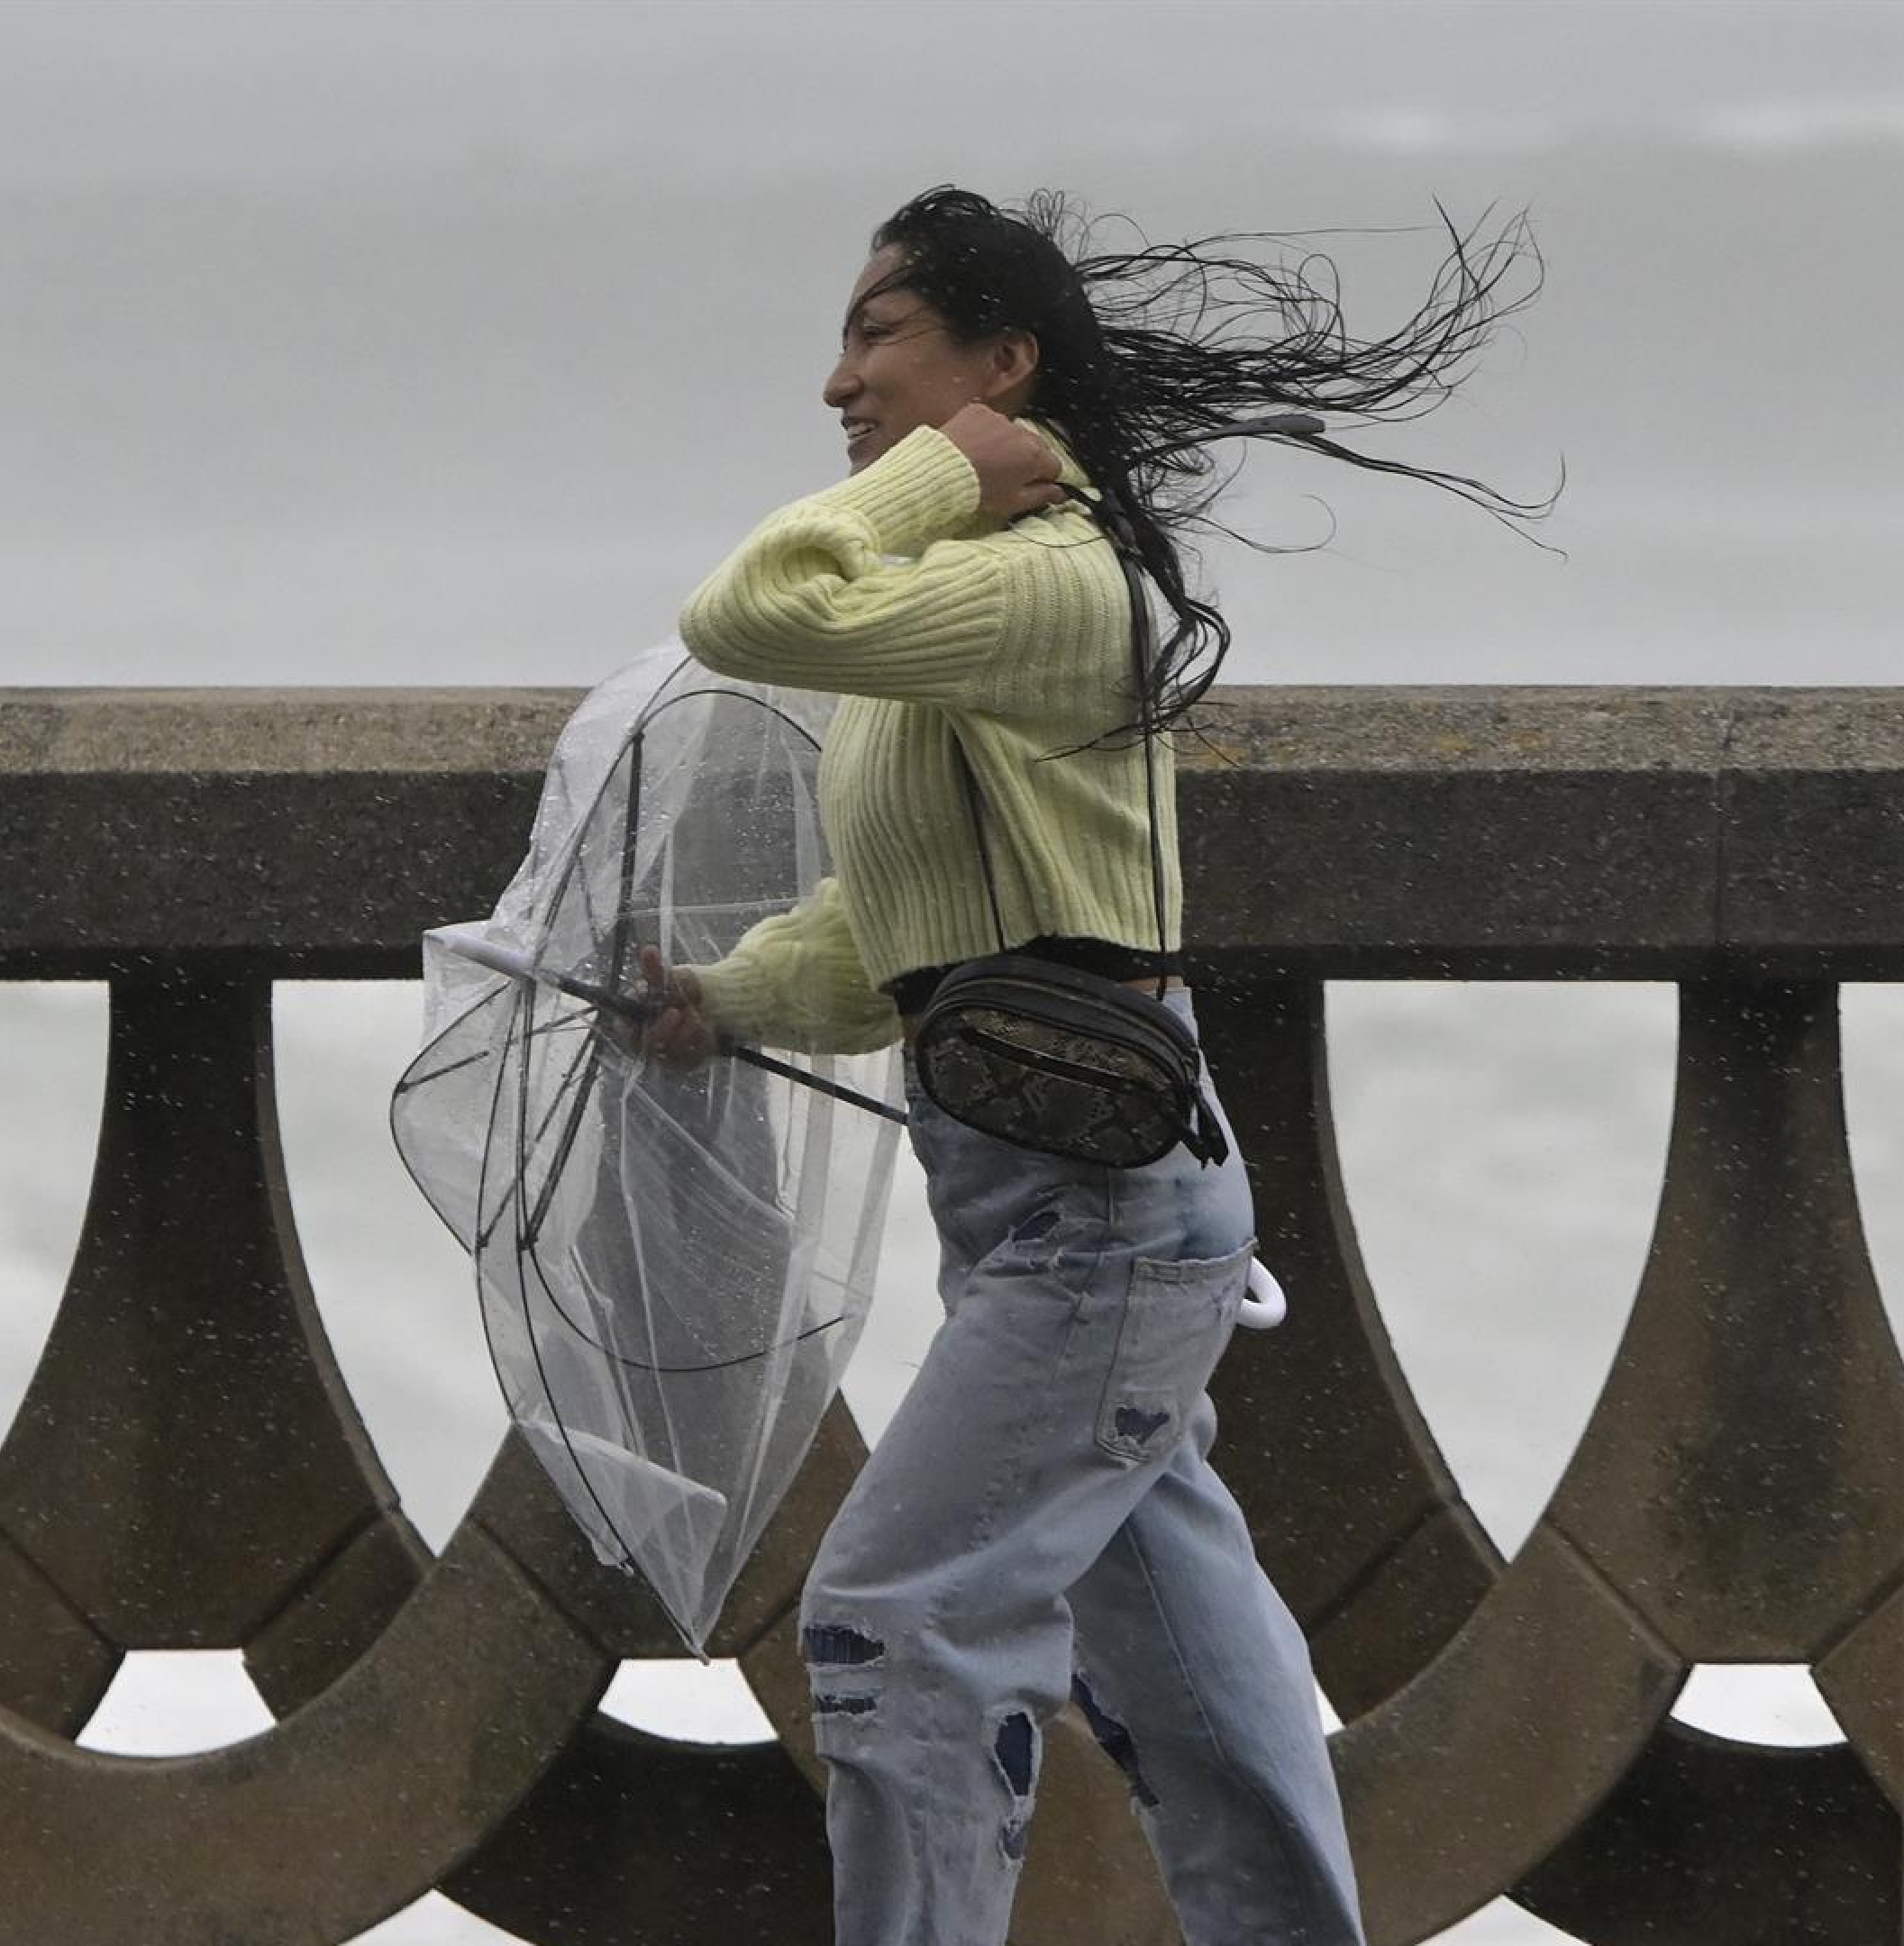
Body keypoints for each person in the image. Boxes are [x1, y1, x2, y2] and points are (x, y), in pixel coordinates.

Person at [633, 186, 1545, 1946]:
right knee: (1193, 1680)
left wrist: (927, 480)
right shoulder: (964, 612)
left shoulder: (1046, 582)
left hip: (1100, 1219)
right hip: (1056, 1208)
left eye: (879, 336)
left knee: (893, 1619)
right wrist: (726, 1001)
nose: (838, 382)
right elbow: (896, 930)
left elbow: (744, 610)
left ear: (1003, 365)